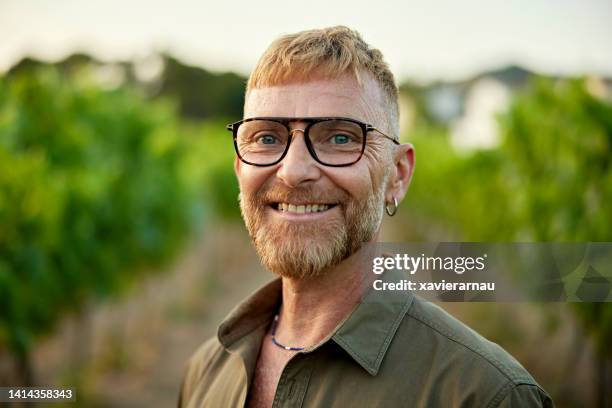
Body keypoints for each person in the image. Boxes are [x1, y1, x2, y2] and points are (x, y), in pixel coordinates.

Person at [178, 26, 553, 408]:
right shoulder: (203, 373)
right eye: (267, 137)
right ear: (240, 167)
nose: (292, 171)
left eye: (340, 138)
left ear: (398, 175)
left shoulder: (486, 396)